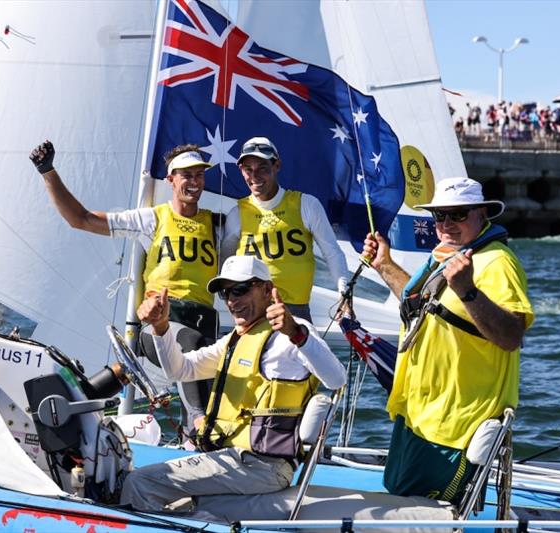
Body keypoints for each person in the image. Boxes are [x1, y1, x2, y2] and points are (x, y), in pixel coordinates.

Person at [120, 255, 346, 512]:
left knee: (140, 482)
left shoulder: (290, 334)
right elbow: (181, 369)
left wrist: (296, 333)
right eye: (225, 293)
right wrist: (161, 327)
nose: (231, 300)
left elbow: (337, 379)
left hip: (261, 465)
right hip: (234, 458)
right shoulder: (235, 339)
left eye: (240, 289)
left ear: (266, 289)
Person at [361, 177, 533, 505]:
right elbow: (426, 305)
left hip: (456, 423)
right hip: (422, 413)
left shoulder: (496, 262)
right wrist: (383, 265)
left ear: (482, 214)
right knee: (402, 499)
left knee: (428, 515)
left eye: (458, 214)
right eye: (440, 216)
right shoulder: (449, 256)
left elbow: (512, 336)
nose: (446, 224)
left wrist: (468, 289)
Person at [29, 140, 219, 437]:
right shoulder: (152, 219)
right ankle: (199, 424)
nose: (194, 182)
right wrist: (47, 171)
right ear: (171, 180)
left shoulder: (216, 225)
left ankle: (195, 443)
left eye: (199, 175)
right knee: (190, 348)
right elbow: (81, 219)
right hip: (161, 326)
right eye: (186, 175)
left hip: (204, 326)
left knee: (220, 371)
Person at [221, 137, 351, 322]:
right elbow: (226, 261)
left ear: (277, 166)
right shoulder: (237, 213)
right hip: (253, 312)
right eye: (248, 170)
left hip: (296, 311)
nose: (254, 176)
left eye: (262, 168)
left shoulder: (307, 204)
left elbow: (331, 251)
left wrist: (344, 291)